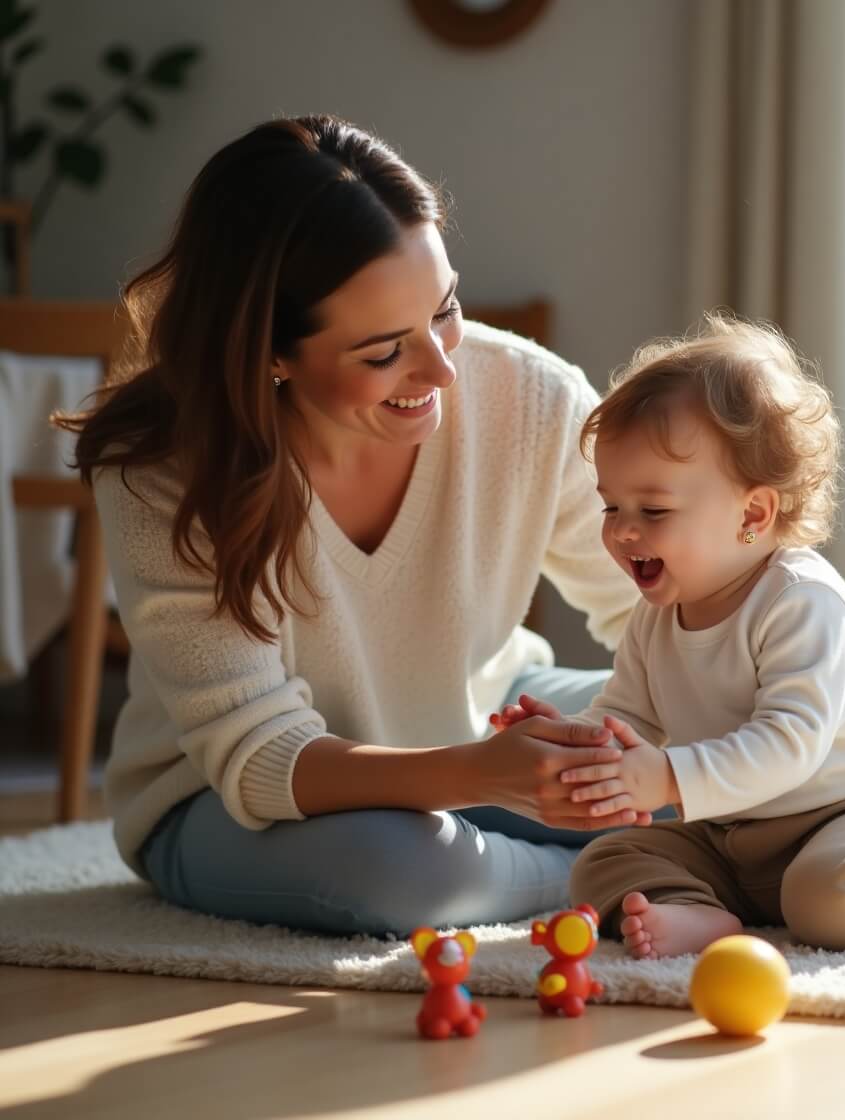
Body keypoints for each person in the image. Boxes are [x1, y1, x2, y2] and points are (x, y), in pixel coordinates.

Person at [58, 114, 648, 938]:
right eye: (383, 352)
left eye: (445, 309)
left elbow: (665, 607)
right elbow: (259, 757)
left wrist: (705, 734)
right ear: (271, 354)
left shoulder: (529, 397)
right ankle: (610, 871)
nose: (442, 369)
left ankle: (619, 853)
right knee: (408, 872)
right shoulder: (163, 470)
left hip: (482, 722)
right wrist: (483, 775)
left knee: (694, 741)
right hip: (233, 800)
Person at [493, 315, 845, 957]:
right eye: (611, 506)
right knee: (603, 860)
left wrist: (667, 777)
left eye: (653, 510)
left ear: (753, 514)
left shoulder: (801, 602)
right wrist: (571, 741)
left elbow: (789, 745)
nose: (622, 530)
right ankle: (696, 911)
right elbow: (627, 718)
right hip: (742, 832)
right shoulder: (656, 617)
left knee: (827, 898)